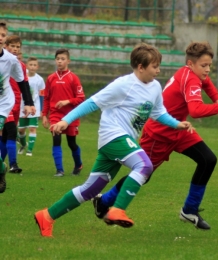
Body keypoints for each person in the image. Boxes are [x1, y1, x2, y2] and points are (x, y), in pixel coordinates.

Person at [34, 42, 194, 237]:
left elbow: (158, 112)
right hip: (114, 136)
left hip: (119, 141)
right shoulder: (123, 85)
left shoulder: (154, 87)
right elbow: (92, 103)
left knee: (90, 190)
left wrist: (177, 124)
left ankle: (47, 216)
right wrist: (65, 120)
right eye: (154, 66)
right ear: (141, 67)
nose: (158, 71)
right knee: (144, 166)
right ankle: (117, 210)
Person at [91, 41, 218, 230]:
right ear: (190, 64)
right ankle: (103, 200)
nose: (207, 70)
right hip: (160, 133)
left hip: (180, 130)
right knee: (143, 175)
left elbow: (208, 85)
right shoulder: (190, 79)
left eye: (210, 65)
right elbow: (196, 110)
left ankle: (189, 210)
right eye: (204, 65)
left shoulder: (192, 73)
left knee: (208, 160)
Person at [0, 21, 34, 193]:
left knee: (9, 135)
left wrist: (29, 103)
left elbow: (23, 82)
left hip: (6, 105)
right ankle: (3, 167)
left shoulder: (13, 61)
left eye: (2, 35)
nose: (0, 38)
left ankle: (11, 164)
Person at [41, 48, 85, 177]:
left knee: (71, 143)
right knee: (56, 139)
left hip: (71, 115)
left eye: (63, 59)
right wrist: (44, 115)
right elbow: (47, 98)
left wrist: (67, 101)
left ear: (68, 61)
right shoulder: (50, 78)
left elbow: (81, 98)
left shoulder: (73, 78)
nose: (60, 61)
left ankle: (78, 164)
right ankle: (59, 170)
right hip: (55, 115)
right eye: (58, 59)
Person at [17, 57, 45, 156]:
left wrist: (41, 110)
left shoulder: (40, 80)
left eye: (34, 65)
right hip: (22, 107)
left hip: (34, 108)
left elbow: (42, 95)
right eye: (31, 65)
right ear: (27, 66)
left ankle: (29, 150)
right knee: (21, 130)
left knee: (32, 128)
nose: (32, 67)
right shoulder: (22, 77)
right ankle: (23, 145)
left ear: (37, 67)